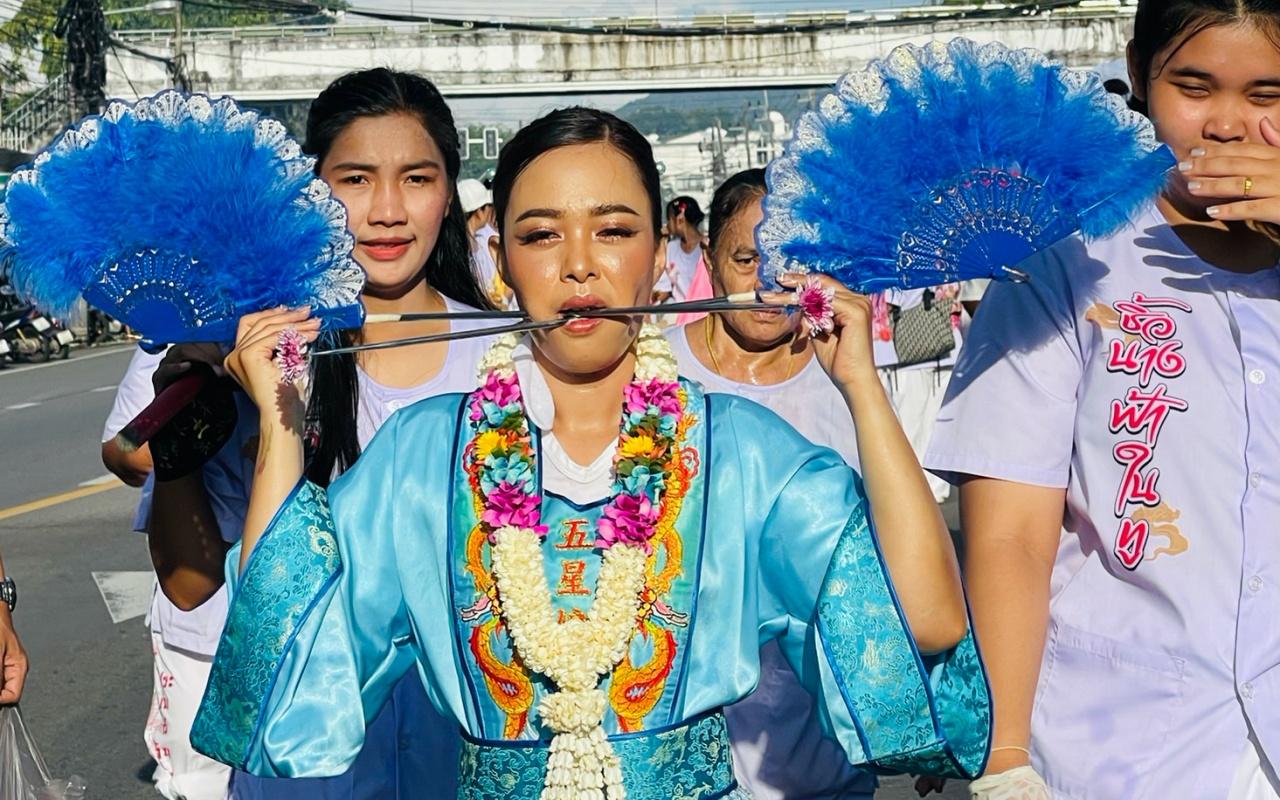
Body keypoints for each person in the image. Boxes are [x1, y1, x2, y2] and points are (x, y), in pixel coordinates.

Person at [191, 107, 991, 798]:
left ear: (660, 264)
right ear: (500, 264)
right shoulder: (423, 456)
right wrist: (282, 423)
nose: (579, 263)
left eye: (613, 230)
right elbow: (279, 652)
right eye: (541, 235)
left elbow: (925, 622)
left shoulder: (739, 451)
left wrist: (862, 387)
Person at [926, 2, 1280, 797]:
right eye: (1194, 86)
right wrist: (1006, 757)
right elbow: (1014, 533)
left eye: (1269, 95)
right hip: (1124, 749)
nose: (1226, 125)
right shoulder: (1066, 263)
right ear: (1141, 71)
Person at [143, 68, 497, 799]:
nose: (389, 210)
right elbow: (188, 586)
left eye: (418, 178)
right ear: (313, 188)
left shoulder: (509, 357)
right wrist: (182, 418)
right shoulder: (250, 352)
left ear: (450, 191)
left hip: (468, 756)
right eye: (357, 179)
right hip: (307, 772)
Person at [668, 168, 875, 799]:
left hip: (818, 739)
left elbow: (885, 546)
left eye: (791, 263)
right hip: (681, 725)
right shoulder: (653, 370)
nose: (766, 284)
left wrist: (912, 704)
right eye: (746, 258)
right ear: (709, 257)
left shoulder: (846, 375)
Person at [102, 346, 232, 800]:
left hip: (317, 618)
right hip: (203, 620)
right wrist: (183, 408)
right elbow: (122, 452)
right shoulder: (174, 333)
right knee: (203, 783)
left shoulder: (328, 328)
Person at [654, 196, 712, 318]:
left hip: (706, 314)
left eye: (669, 219)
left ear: (679, 219)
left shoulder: (708, 248)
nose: (667, 225)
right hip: (680, 315)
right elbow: (663, 290)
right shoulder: (670, 249)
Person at [460, 177, 510, 307]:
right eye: (487, 207)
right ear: (479, 211)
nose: (490, 211)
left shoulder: (481, 239)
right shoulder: (467, 246)